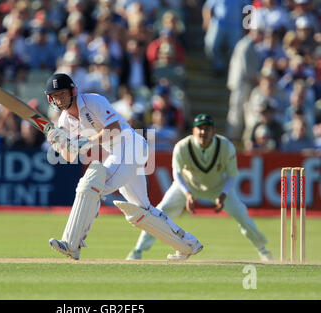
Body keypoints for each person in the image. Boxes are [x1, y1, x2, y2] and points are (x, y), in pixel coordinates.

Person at [45, 73, 203, 260]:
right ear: (50, 99)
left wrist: (85, 143)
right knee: (141, 211)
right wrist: (59, 144)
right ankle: (188, 244)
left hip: (130, 146)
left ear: (73, 91)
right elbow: (70, 156)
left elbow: (115, 129)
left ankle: (72, 243)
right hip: (120, 154)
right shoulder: (64, 121)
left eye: (63, 93)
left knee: (91, 185)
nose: (60, 99)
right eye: (56, 96)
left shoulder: (93, 100)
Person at [126, 114, 274, 262]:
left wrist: (223, 194)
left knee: (242, 214)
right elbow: (176, 174)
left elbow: (232, 175)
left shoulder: (226, 146)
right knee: (160, 211)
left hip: (218, 187)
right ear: (193, 130)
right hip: (187, 185)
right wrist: (188, 194)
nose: (203, 132)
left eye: (207, 128)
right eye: (200, 128)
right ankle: (137, 250)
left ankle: (263, 250)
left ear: (214, 131)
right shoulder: (182, 147)